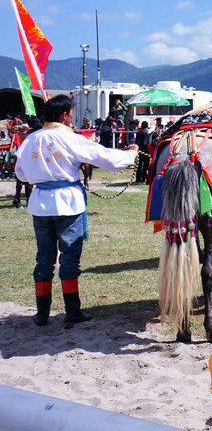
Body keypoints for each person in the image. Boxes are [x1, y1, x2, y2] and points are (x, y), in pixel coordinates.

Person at [15, 95, 138, 327]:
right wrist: (130, 155)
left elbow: (20, 173)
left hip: (40, 204)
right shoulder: (68, 137)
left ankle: (42, 314)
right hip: (67, 203)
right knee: (69, 258)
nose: (71, 118)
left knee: (44, 259)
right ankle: (72, 312)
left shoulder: (31, 139)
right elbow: (102, 156)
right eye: (71, 114)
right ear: (64, 115)